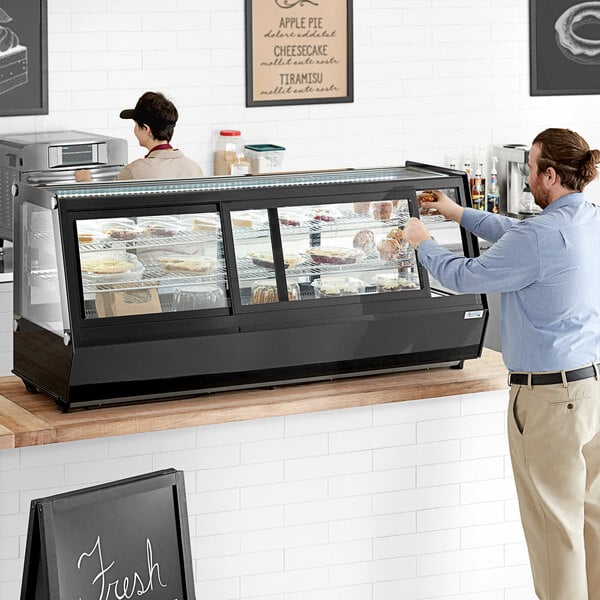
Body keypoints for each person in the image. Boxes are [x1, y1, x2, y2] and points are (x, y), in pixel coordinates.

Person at [403, 128, 600, 600]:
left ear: (550, 175)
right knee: (590, 520)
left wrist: (422, 242)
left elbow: (464, 276)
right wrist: (458, 213)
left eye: (530, 168)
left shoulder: (539, 236)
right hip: (590, 391)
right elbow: (519, 234)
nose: (527, 176)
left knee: (554, 529)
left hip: (548, 401)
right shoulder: (586, 218)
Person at [76, 91, 203, 182]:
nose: (135, 129)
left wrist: (85, 181)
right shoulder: (194, 169)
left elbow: (102, 205)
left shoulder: (136, 171)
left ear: (145, 129)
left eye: (136, 124)